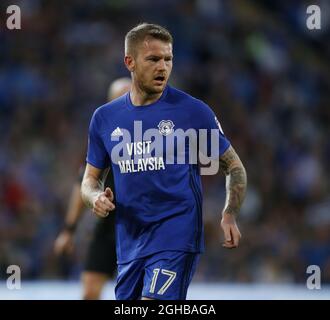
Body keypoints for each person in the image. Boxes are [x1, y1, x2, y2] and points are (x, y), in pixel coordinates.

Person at [81, 23, 247, 300]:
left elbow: (233, 166)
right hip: (130, 241)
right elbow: (89, 180)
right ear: (129, 62)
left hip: (176, 234)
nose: (163, 67)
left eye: (168, 59)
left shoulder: (191, 112)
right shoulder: (105, 118)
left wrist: (230, 212)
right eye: (153, 59)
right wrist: (95, 197)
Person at [54, 78, 131, 300]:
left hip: (142, 228)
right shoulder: (102, 140)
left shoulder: (150, 137)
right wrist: (69, 230)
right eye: (118, 100)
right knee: (89, 292)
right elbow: (83, 185)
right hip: (108, 228)